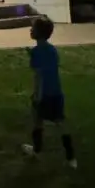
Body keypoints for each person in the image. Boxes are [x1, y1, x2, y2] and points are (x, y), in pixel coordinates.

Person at [21, 16, 77, 168]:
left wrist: (37, 95)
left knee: (37, 120)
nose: (30, 30)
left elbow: (39, 75)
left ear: (37, 33)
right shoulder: (52, 50)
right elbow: (49, 68)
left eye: (32, 28)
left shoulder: (36, 53)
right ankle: (71, 158)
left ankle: (37, 150)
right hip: (56, 92)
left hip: (44, 94)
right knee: (60, 122)